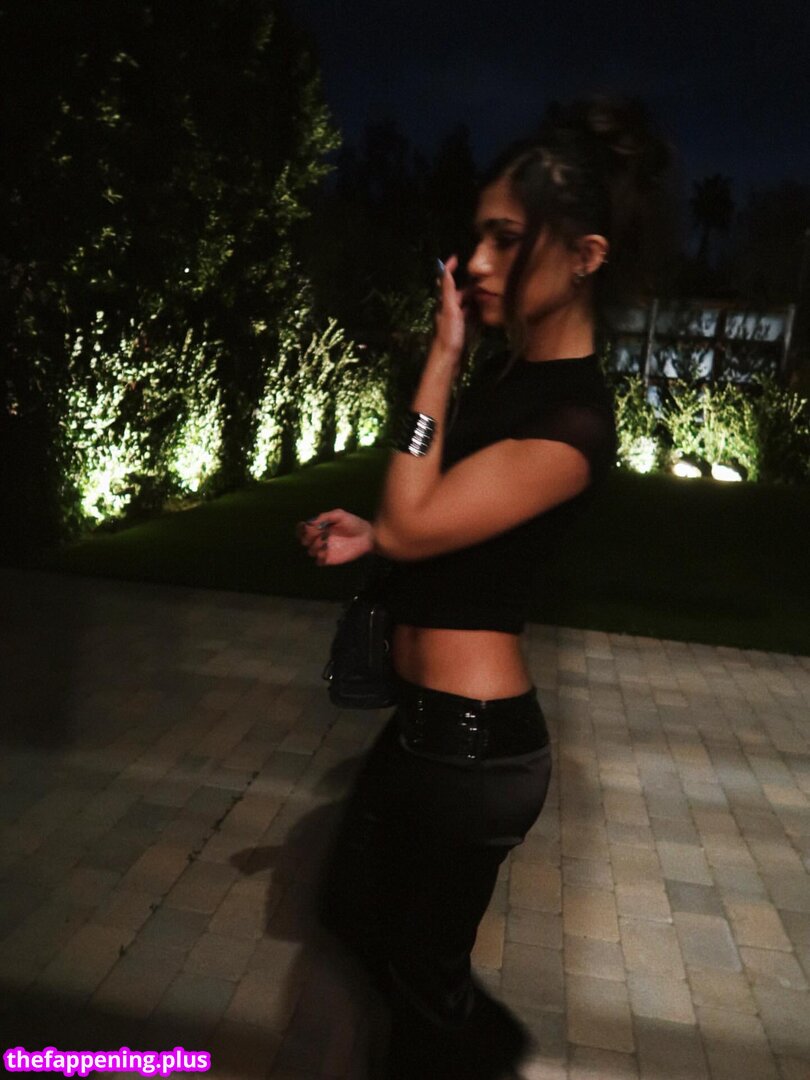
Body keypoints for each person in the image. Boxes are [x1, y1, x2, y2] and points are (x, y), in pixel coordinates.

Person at [298, 97, 673, 1078]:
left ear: (585, 255)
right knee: (356, 916)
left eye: (507, 239)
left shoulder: (576, 420)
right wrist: (378, 533)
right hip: (432, 729)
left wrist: (439, 358)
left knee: (422, 1000)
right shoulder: (516, 384)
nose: (475, 262)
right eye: (478, 237)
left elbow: (420, 516)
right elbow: (444, 522)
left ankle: (489, 1056)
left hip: (474, 755)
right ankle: (481, 1048)